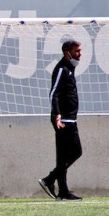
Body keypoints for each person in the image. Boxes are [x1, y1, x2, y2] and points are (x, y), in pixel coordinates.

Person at [39, 39, 83, 201]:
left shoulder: (70, 69)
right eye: (76, 51)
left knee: (67, 155)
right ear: (67, 53)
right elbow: (53, 93)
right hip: (63, 119)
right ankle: (50, 181)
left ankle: (61, 189)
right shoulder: (61, 69)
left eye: (80, 50)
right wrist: (57, 114)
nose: (80, 54)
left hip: (71, 119)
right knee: (74, 152)